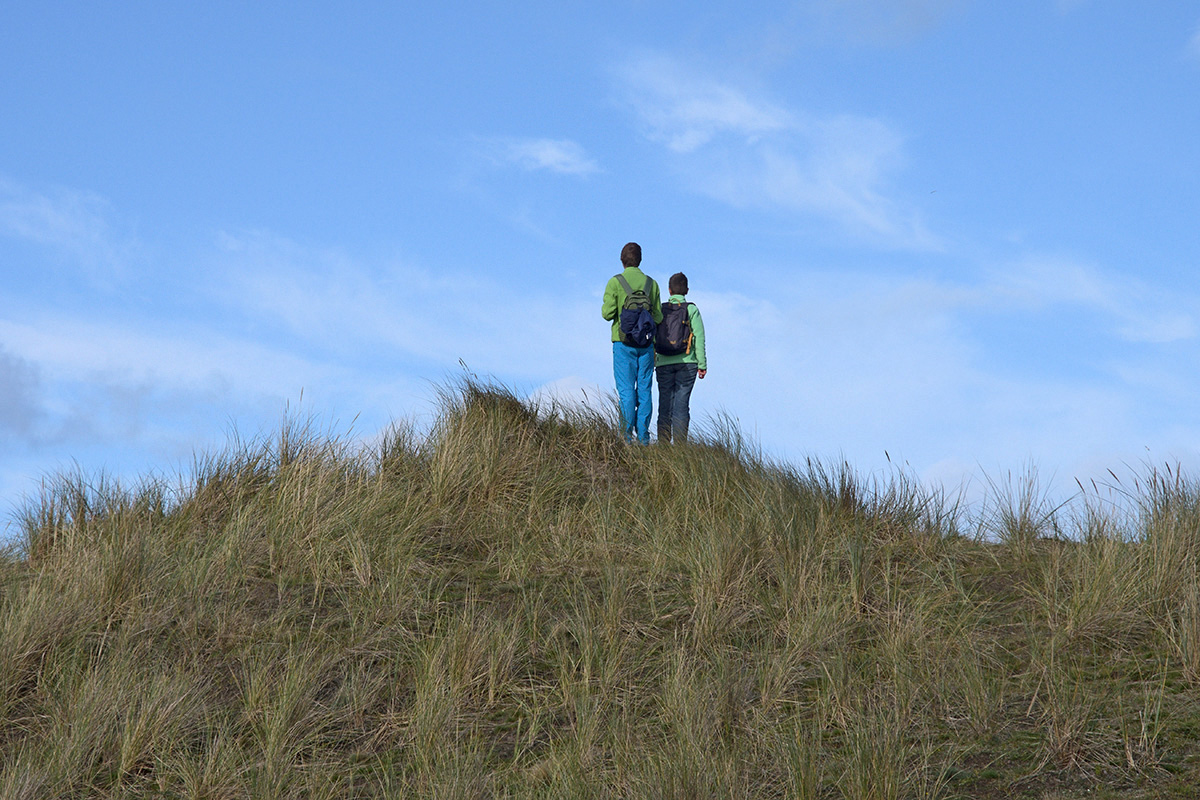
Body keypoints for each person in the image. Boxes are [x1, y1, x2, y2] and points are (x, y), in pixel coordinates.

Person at [601, 242, 662, 443]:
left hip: (622, 343)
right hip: (646, 346)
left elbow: (606, 313)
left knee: (626, 391)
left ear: (622, 260)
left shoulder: (615, 282)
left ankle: (625, 438)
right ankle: (644, 438)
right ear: (640, 260)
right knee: (644, 390)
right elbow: (659, 317)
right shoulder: (652, 284)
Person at [654, 272, 706, 443]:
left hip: (663, 362)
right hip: (687, 363)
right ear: (687, 290)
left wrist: (654, 360)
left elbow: (654, 336)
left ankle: (663, 446)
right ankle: (680, 448)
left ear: (669, 290)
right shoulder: (691, 309)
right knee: (681, 406)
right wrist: (702, 364)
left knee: (665, 405)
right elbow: (699, 338)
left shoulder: (661, 310)